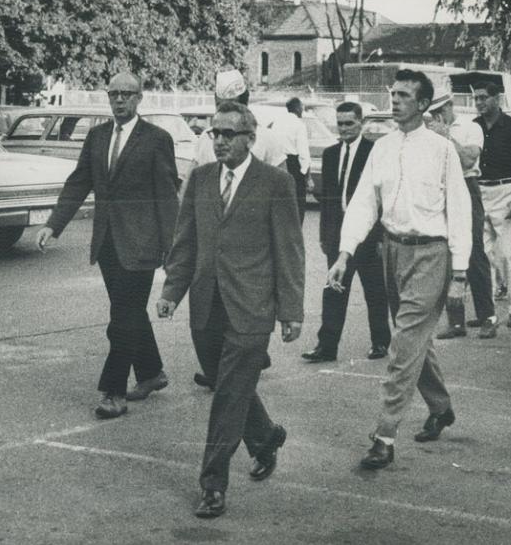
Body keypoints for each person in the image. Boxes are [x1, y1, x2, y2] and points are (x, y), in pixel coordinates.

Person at [157, 103, 303, 519]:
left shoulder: (275, 182)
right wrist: (172, 291)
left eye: (227, 134)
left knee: (228, 395)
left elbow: (290, 250)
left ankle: (212, 484)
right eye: (213, 133)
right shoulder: (201, 179)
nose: (218, 140)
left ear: (249, 138)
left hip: (252, 308)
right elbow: (185, 242)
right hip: (206, 305)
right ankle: (266, 437)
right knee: (230, 385)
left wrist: (290, 311)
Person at [332, 69, 473, 470]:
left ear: (424, 104)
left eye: (405, 96)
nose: (395, 101)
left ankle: (384, 436)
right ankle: (441, 407)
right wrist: (345, 254)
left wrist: (459, 274)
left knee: (403, 346)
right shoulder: (381, 148)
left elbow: (460, 213)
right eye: (393, 94)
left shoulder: (442, 149)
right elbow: (363, 203)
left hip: (432, 254)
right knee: (415, 339)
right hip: (392, 252)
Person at [34, 71, 180, 420]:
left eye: (126, 94)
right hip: (107, 244)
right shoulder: (98, 136)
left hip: (143, 244)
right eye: (113, 93)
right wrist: (54, 224)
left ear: (139, 97)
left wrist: (172, 247)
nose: (118, 100)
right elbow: (79, 181)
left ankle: (113, 392)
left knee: (121, 319)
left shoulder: (157, 139)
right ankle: (150, 373)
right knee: (128, 312)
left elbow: (167, 196)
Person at [303, 102, 390, 362]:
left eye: (349, 123)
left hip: (368, 236)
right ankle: (326, 346)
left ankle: (380, 342)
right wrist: (324, 235)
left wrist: (378, 238)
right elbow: (328, 199)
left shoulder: (374, 152)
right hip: (337, 237)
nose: (343, 129)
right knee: (333, 291)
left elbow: (380, 199)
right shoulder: (330, 154)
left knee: (375, 292)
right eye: (339, 123)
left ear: (361, 123)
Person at [430, 94, 498, 339]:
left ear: (450, 105)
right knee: (449, 251)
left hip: (467, 185)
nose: (437, 117)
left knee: (474, 250)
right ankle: (456, 320)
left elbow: (469, 159)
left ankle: (488, 315)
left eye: (441, 110)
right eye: (433, 112)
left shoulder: (470, 127)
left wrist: (447, 137)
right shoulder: (429, 130)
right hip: (441, 187)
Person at [471, 80, 511, 329]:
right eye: (476, 98)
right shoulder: (473, 127)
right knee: (480, 255)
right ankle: (486, 312)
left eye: (484, 97)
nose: (479, 102)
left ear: (497, 99)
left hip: (508, 189)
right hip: (480, 191)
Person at [192, 69, 288, 169]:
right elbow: (190, 180)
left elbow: (283, 181)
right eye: (220, 107)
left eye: (232, 108)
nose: (225, 115)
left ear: (244, 106)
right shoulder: (206, 138)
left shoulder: (267, 139)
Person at [280, 96, 312, 211]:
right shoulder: (299, 125)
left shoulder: (277, 123)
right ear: (298, 108)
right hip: (293, 164)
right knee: (298, 203)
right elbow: (303, 152)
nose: (302, 110)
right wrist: (305, 174)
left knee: (282, 202)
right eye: (302, 107)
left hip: (278, 163)